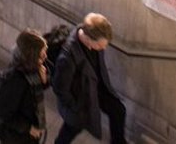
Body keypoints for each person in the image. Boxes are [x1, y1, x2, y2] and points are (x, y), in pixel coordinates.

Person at [53, 13, 126, 144]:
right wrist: (76, 107)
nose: (103, 48)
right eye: (100, 46)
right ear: (88, 39)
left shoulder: (93, 39)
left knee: (118, 110)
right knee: (72, 128)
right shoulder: (67, 57)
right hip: (80, 99)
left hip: (96, 87)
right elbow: (60, 88)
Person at [0, 30, 50, 144]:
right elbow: (3, 112)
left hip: (30, 130)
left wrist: (44, 81)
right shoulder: (15, 81)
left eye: (45, 52)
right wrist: (29, 128)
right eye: (41, 55)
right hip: (17, 137)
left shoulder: (33, 67)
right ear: (31, 56)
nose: (45, 57)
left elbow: (33, 92)